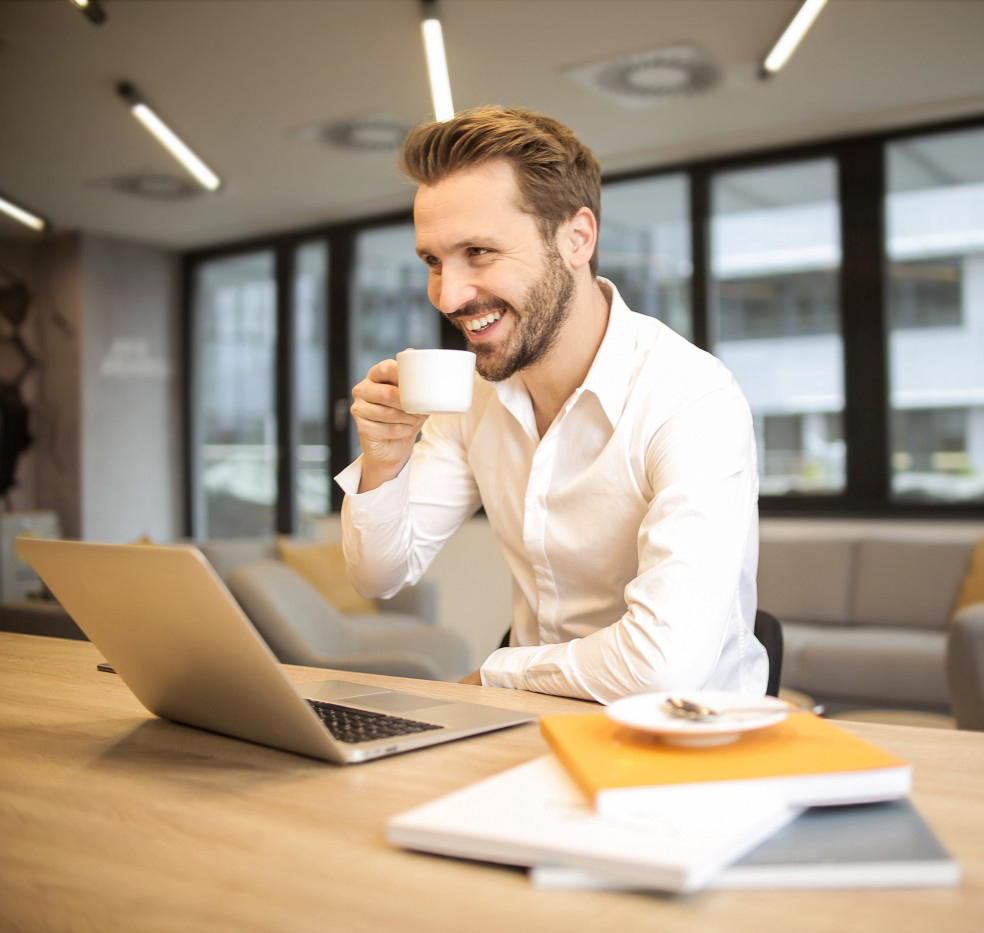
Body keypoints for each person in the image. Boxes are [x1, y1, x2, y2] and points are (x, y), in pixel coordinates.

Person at [335, 106, 767, 703]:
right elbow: (378, 575)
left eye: (479, 252)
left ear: (576, 238)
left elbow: (663, 665)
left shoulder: (691, 397)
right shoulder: (475, 398)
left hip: (684, 740)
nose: (449, 295)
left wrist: (496, 672)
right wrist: (384, 461)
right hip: (532, 727)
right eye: (434, 261)